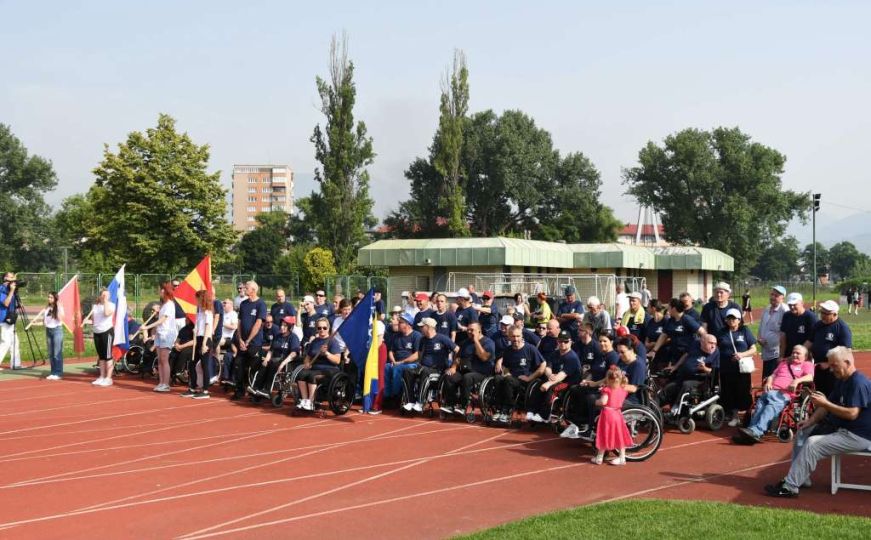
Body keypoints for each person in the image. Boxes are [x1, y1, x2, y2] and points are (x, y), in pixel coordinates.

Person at [765, 347, 871, 498]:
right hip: (842, 429)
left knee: (813, 444)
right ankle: (802, 478)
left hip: (858, 436)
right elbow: (826, 405)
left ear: (847, 362)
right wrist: (810, 420)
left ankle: (790, 487)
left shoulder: (858, 383)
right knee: (802, 432)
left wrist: (826, 403)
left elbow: (852, 414)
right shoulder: (842, 380)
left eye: (834, 365)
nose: (831, 369)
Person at [733, 345, 814, 444]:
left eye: (798, 353)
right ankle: (751, 432)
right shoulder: (784, 363)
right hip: (770, 391)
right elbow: (773, 375)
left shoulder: (806, 364)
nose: (794, 354)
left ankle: (756, 431)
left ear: (805, 356)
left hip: (784, 394)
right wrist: (768, 382)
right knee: (758, 408)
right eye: (793, 352)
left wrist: (796, 381)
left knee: (769, 408)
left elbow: (810, 377)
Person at [562, 332, 620, 438]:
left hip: (605, 388)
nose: (602, 343)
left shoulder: (613, 357)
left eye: (605, 341)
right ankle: (578, 422)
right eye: (600, 341)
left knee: (591, 398)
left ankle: (590, 428)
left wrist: (595, 384)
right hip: (594, 385)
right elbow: (593, 372)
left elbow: (610, 378)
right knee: (575, 389)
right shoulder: (600, 355)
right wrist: (586, 380)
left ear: (611, 342)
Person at [402, 317, 457, 413]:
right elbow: (419, 353)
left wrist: (453, 366)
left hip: (438, 370)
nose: (420, 329)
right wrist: (420, 362)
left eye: (422, 327)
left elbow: (458, 350)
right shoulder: (423, 340)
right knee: (407, 371)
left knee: (425, 372)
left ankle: (420, 402)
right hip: (424, 367)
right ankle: (410, 401)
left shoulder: (442, 338)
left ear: (428, 327)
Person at [441, 322, 495, 416]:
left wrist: (476, 341)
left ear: (479, 330)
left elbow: (484, 357)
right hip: (464, 370)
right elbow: (458, 357)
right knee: (449, 377)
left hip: (481, 372)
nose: (469, 332)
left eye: (472, 330)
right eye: (468, 330)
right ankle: (450, 404)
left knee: (467, 377)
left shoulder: (488, 342)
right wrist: (453, 367)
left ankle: (463, 406)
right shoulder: (465, 343)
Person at [493, 327, 546, 423]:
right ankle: (499, 408)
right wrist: (506, 372)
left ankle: (507, 410)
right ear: (509, 337)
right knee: (497, 378)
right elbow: (506, 367)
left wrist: (530, 377)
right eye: (513, 336)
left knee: (508, 380)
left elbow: (543, 364)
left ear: (522, 336)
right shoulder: (508, 350)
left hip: (525, 381)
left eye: (518, 336)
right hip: (511, 378)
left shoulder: (530, 348)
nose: (516, 339)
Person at [529, 330, 582, 423]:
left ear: (570, 342)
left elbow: (562, 375)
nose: (562, 344)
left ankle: (544, 415)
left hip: (568, 382)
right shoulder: (555, 353)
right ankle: (532, 411)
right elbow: (548, 367)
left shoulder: (572, 358)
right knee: (537, 385)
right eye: (560, 341)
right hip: (554, 378)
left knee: (552, 389)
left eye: (565, 341)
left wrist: (549, 383)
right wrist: (550, 375)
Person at [717, 308, 757, 427]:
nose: (731, 320)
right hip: (726, 368)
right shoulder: (721, 332)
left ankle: (747, 416)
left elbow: (754, 349)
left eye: (733, 318)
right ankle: (734, 416)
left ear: (739, 320)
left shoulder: (744, 330)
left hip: (741, 369)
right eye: (729, 318)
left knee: (744, 392)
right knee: (729, 392)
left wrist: (742, 354)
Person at [659, 334, 719, 413]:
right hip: (683, 377)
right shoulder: (695, 344)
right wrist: (675, 367)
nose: (713, 346)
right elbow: (686, 355)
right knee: (667, 389)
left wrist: (705, 368)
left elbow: (715, 371)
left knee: (686, 385)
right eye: (710, 343)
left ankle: (675, 409)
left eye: (715, 344)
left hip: (699, 380)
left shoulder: (716, 352)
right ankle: (652, 410)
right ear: (702, 342)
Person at [804, 300, 852, 396]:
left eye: (826, 313)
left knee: (830, 395)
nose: (822, 315)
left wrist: (829, 364)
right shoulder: (818, 325)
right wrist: (801, 352)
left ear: (834, 314)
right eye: (821, 312)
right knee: (816, 392)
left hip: (833, 370)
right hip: (817, 366)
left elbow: (846, 352)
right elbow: (810, 341)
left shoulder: (842, 328)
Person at [590, 367, 634, 466]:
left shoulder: (607, 390)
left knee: (604, 434)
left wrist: (595, 402)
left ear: (608, 379)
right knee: (620, 435)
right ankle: (622, 457)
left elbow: (603, 402)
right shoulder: (623, 389)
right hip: (618, 414)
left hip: (607, 415)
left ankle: (599, 457)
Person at [295, 318, 342, 411]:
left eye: (324, 328)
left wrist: (327, 354)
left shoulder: (332, 342)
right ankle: (305, 400)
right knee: (301, 374)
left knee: (312, 376)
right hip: (315, 368)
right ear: (317, 329)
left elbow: (337, 360)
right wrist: (306, 363)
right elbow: (308, 357)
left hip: (330, 369)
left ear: (328, 328)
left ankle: (311, 401)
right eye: (319, 328)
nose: (322, 330)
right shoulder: (315, 341)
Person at [232, 281, 267, 400]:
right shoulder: (243, 304)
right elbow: (240, 322)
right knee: (238, 364)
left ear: (253, 290)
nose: (244, 289)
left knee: (253, 367)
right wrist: (240, 339)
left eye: (247, 288)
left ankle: (254, 391)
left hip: (254, 343)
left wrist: (248, 341)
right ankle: (239, 390)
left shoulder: (261, 304)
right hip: (243, 342)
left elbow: (258, 324)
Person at [140, 282, 178, 392]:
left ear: (166, 291)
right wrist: (157, 313)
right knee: (160, 360)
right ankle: (161, 382)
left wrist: (147, 326)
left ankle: (166, 383)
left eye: (162, 290)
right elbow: (159, 318)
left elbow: (163, 320)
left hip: (167, 334)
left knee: (164, 359)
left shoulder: (170, 304)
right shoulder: (164, 305)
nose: (160, 292)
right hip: (160, 334)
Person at [252, 316, 300, 398]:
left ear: (290, 327)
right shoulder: (278, 336)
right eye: (281, 325)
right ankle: (256, 388)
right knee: (264, 364)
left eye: (285, 325)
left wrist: (283, 363)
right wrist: (266, 359)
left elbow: (294, 353)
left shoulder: (293, 337)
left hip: (286, 361)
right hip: (274, 359)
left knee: (272, 365)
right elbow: (271, 350)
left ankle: (267, 390)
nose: (281, 327)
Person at [648, 298, 705, 365]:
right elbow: (664, 335)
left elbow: (703, 332)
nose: (668, 310)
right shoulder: (670, 321)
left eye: (669, 308)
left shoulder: (687, 320)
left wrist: (700, 349)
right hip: (674, 355)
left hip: (686, 355)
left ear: (674, 309)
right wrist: (654, 351)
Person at [180, 290, 214, 399]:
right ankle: (193, 387)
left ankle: (205, 390)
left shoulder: (208, 312)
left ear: (202, 299)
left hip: (205, 340)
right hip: (199, 339)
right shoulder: (199, 312)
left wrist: (204, 344)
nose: (196, 301)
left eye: (198, 299)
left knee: (204, 365)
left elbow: (208, 328)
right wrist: (196, 330)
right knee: (192, 364)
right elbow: (199, 327)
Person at [82, 288, 116, 387]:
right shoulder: (95, 306)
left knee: (108, 356)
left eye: (107, 295)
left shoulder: (111, 305)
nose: (106, 297)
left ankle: (108, 378)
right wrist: (85, 321)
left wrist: (105, 302)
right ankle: (102, 376)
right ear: (100, 296)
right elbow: (94, 320)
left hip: (107, 332)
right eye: (104, 295)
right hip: (97, 332)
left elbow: (106, 314)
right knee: (101, 356)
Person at [384, 314, 421, 402]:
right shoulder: (396, 336)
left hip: (411, 364)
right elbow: (391, 351)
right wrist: (393, 361)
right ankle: (387, 395)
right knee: (386, 367)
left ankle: (395, 395)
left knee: (397, 369)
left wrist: (401, 362)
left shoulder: (416, 336)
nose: (398, 324)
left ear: (407, 324)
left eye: (400, 322)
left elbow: (416, 355)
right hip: (396, 362)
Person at [29, 292, 65, 379]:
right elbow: (44, 322)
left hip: (57, 330)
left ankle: (58, 373)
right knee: (51, 353)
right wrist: (35, 323)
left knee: (57, 353)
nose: (49, 299)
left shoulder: (59, 307)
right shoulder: (47, 308)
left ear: (55, 299)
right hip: (48, 331)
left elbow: (61, 319)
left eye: (51, 297)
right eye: (48, 297)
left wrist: (57, 308)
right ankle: (53, 372)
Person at [758, 286, 789, 379]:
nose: (773, 297)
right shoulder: (767, 309)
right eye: (772, 294)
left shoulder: (784, 310)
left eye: (776, 295)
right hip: (766, 351)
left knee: (772, 380)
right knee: (765, 379)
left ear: (782, 298)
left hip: (777, 353)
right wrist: (759, 338)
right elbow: (762, 325)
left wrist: (782, 354)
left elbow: (786, 333)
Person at [779, 293, 817, 368]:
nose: (792, 307)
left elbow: (811, 339)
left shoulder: (810, 317)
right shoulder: (786, 316)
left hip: (804, 357)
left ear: (802, 303)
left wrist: (796, 355)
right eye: (790, 305)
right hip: (788, 355)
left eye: (795, 304)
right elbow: (783, 336)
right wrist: (781, 356)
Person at [614, 337, 648, 404]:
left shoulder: (638, 365)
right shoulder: (621, 360)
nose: (619, 355)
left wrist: (613, 387)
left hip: (631, 400)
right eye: (618, 352)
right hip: (618, 394)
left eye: (622, 352)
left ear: (631, 350)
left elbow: (633, 388)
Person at [0, 272, 22, 370]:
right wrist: (12, 291)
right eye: (11, 277)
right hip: (4, 319)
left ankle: (15, 364)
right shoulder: (1, 289)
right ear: (5, 278)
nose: (13, 279)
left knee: (15, 342)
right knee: (6, 342)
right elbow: (6, 303)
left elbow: (15, 304)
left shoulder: (10, 289)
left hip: (11, 319)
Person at [644, 299, 670, 370]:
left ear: (653, 308)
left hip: (663, 354)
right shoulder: (650, 322)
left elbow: (669, 338)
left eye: (648, 307)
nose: (647, 309)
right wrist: (647, 343)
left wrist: (654, 344)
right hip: (651, 353)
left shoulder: (666, 321)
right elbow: (647, 335)